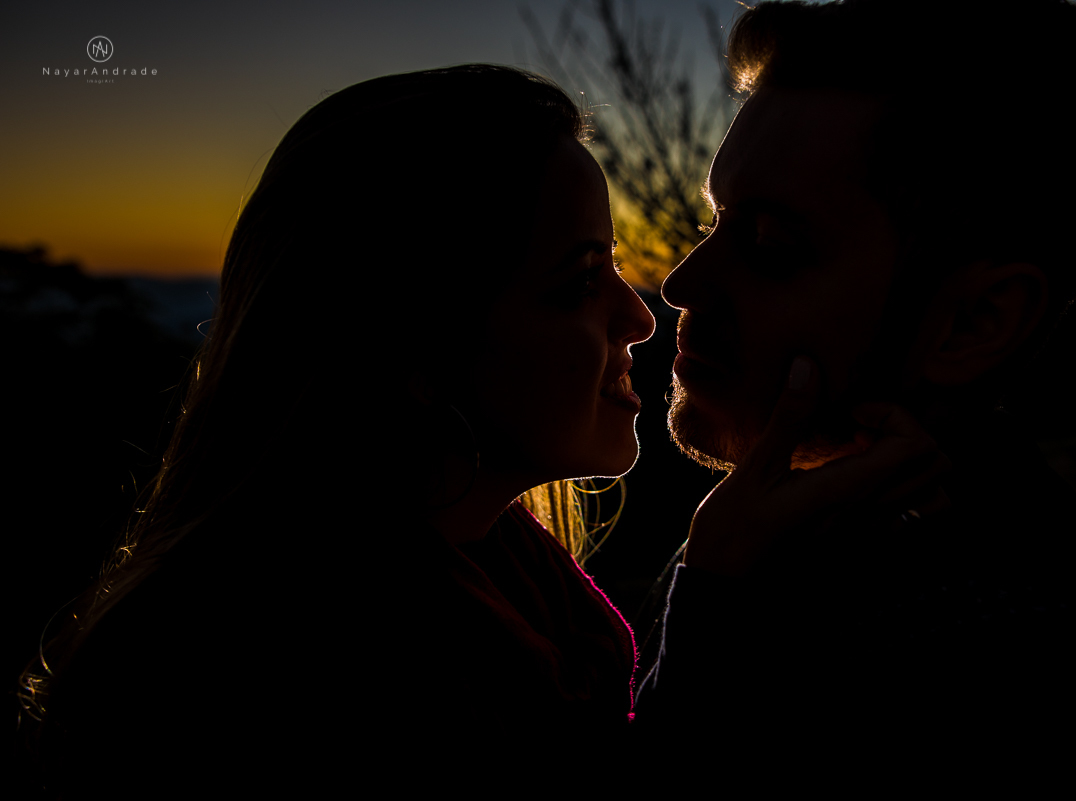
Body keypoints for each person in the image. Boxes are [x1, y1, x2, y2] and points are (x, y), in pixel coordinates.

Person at [16, 64, 663, 795]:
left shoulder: (525, 598)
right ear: (417, 350)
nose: (640, 317)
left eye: (614, 263)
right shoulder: (273, 678)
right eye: (579, 281)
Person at [634, 0, 1076, 790]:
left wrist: (717, 612)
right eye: (715, 221)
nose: (681, 281)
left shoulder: (1000, 712)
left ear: (973, 322)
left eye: (769, 243)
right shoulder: (780, 548)